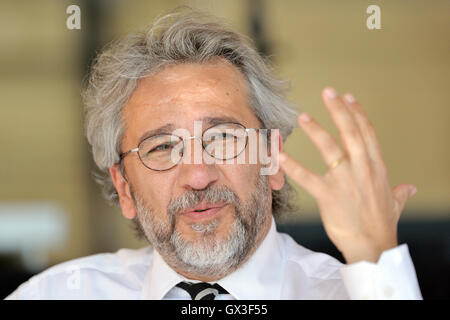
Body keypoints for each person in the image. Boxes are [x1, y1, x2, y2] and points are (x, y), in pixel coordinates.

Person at [6, 8, 422, 300]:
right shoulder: (54, 295)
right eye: (163, 146)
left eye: (223, 138)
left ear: (271, 159)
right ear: (125, 188)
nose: (199, 175)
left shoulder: (356, 293)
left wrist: (376, 265)